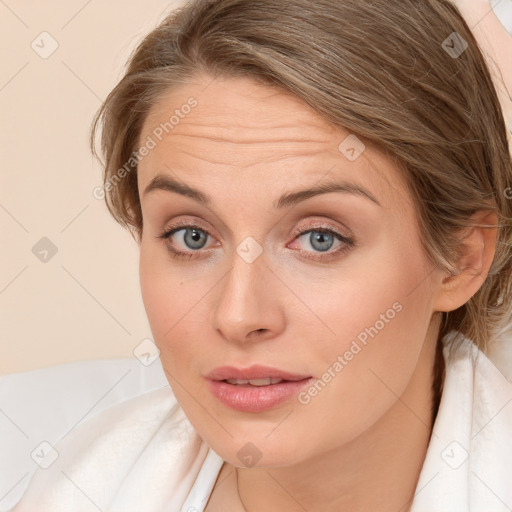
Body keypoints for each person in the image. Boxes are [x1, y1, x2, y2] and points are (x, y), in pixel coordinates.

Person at [10, 0, 512, 511]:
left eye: (321, 238)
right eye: (192, 237)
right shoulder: (76, 489)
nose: (238, 315)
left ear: (461, 258)